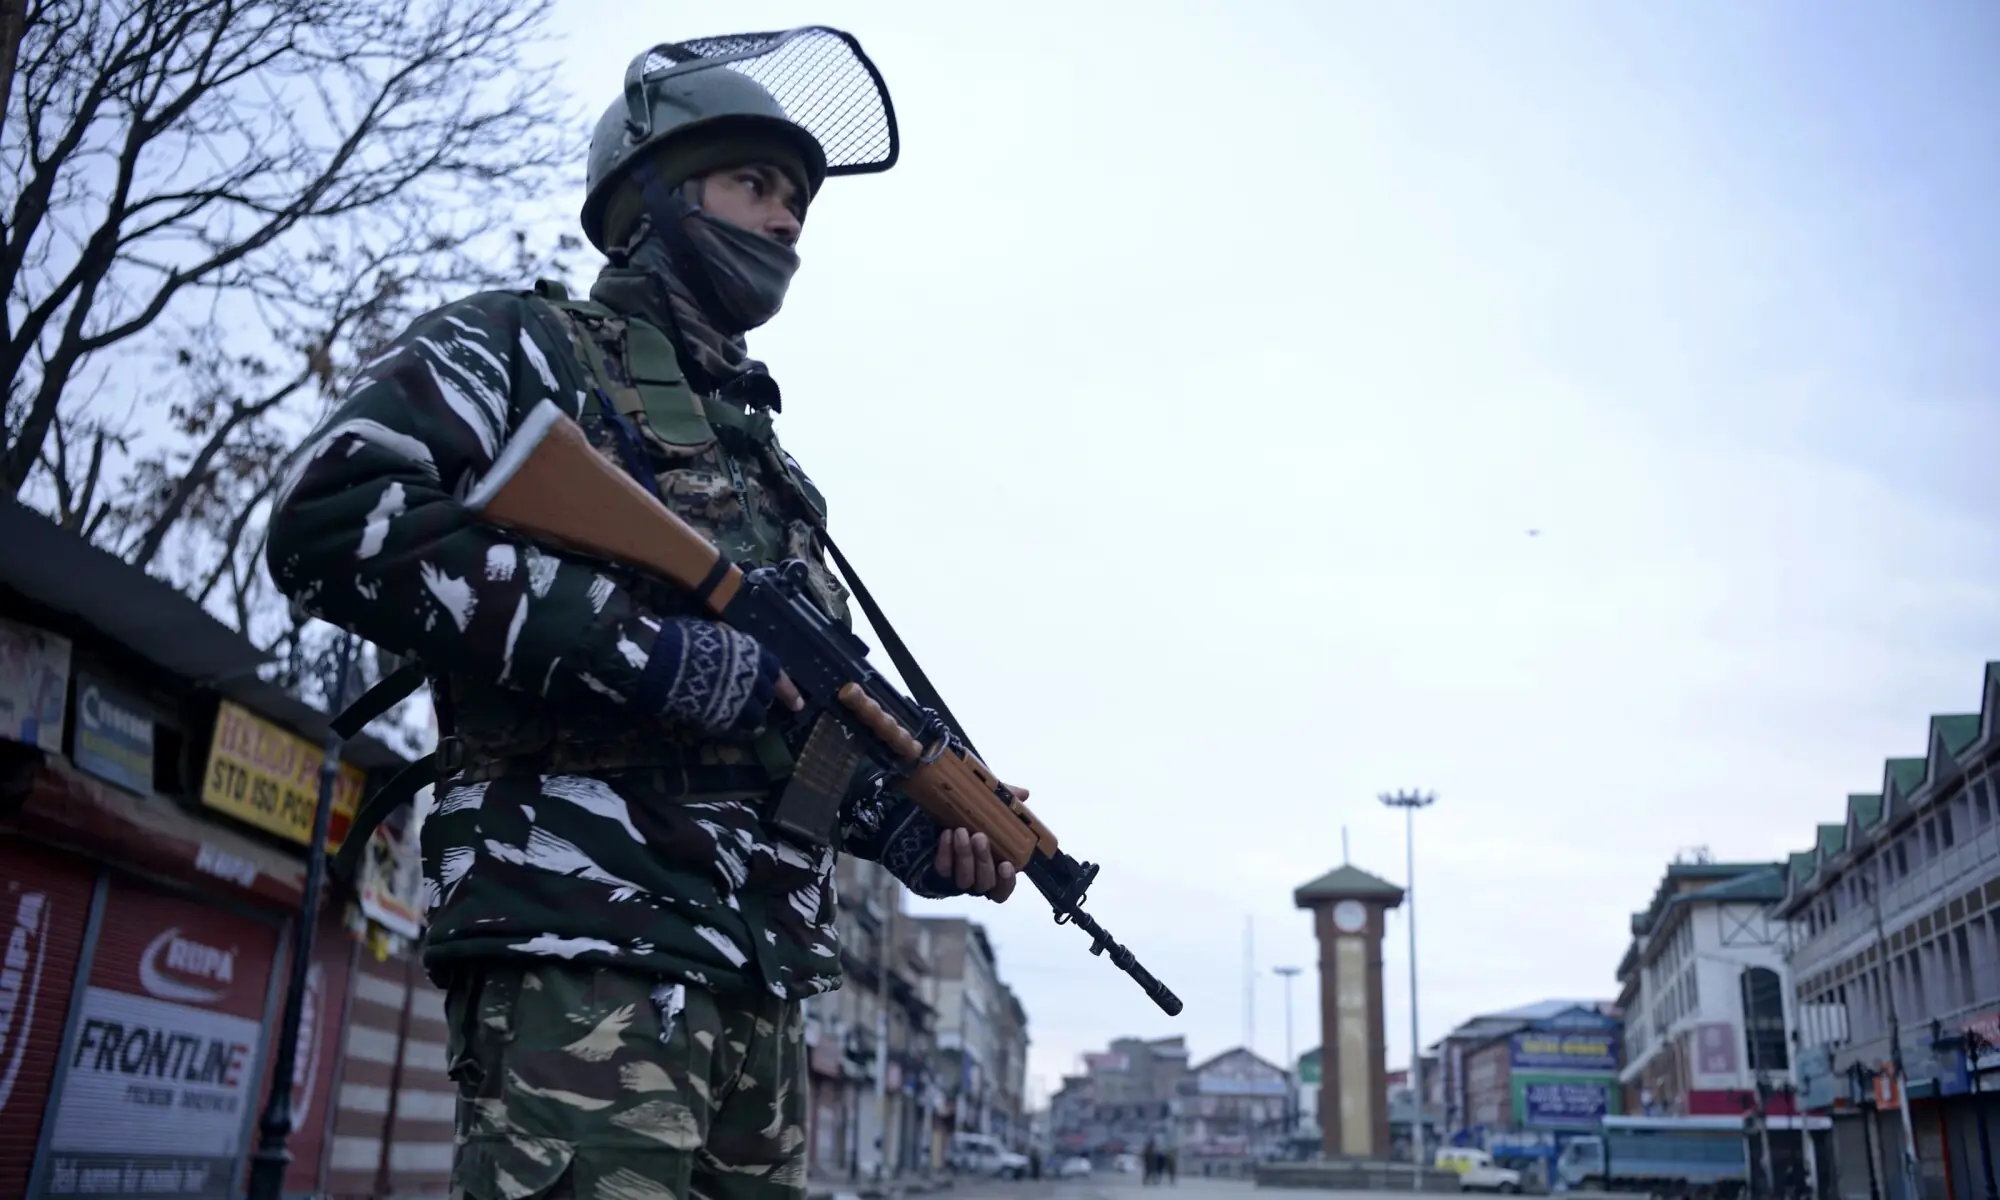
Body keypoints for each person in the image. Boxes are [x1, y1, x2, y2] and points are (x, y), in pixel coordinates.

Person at [265, 29, 1019, 1200]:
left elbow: (790, 736)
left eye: (799, 205)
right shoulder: (528, 346)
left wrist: (919, 829)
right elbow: (333, 521)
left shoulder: (766, 473)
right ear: (652, 196)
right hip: (586, 950)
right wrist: (649, 652)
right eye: (755, 186)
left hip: (758, 988)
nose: (785, 223)